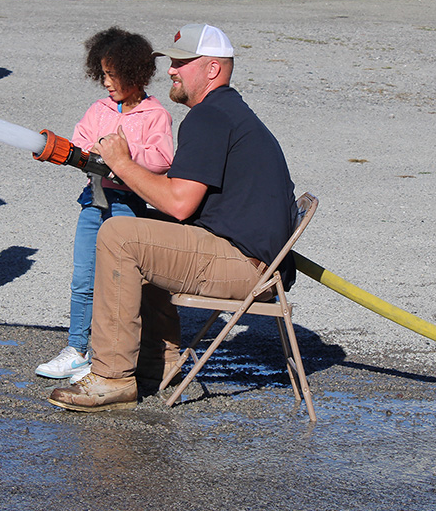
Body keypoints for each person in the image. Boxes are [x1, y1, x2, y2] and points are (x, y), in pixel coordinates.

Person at [48, 24, 299, 412]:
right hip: (254, 260)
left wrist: (120, 162)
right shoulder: (225, 112)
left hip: (246, 265)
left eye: (182, 62)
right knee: (144, 229)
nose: (171, 70)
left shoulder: (209, 118)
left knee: (120, 235)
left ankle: (111, 377)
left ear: (212, 69)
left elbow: (179, 204)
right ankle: (159, 360)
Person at [35, 27, 174, 380]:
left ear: (136, 74)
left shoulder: (154, 115)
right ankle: (76, 349)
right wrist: (74, 152)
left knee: (117, 283)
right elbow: (81, 142)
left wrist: (124, 155)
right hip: (93, 203)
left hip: (128, 205)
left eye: (113, 75)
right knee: (83, 278)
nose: (107, 83)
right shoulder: (98, 109)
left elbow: (162, 159)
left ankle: (106, 355)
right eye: (103, 75)